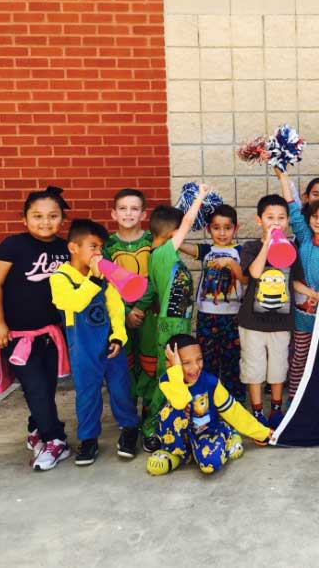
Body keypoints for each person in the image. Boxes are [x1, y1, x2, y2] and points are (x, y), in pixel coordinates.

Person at [0, 186, 72, 470]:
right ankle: (55, 439)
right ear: (24, 218)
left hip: (51, 334)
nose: (45, 222)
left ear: (62, 219)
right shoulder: (11, 246)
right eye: (37, 216)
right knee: (35, 387)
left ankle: (37, 428)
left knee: (46, 388)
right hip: (19, 336)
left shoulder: (64, 249)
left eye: (52, 216)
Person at [49, 219, 139, 465]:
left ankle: (130, 429)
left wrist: (118, 336)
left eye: (100, 248)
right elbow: (74, 302)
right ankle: (88, 438)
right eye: (93, 246)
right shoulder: (60, 278)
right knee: (87, 393)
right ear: (73, 248)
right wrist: (95, 280)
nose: (98, 253)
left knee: (121, 388)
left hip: (110, 344)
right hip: (82, 347)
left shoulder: (104, 275)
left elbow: (115, 308)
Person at [239, 193, 319, 429]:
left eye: (281, 218)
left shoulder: (291, 248)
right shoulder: (251, 247)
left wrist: (312, 294)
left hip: (282, 321)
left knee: (278, 366)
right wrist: (268, 244)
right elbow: (253, 273)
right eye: (270, 217)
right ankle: (256, 410)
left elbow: (293, 281)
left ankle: (276, 408)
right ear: (259, 220)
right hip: (252, 322)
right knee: (254, 367)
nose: (276, 222)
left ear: (287, 222)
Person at [141, 184, 210, 452]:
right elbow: (189, 221)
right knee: (169, 376)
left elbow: (151, 290)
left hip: (174, 325)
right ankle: (151, 427)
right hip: (170, 327)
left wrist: (137, 308)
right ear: (172, 235)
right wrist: (200, 197)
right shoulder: (164, 253)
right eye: (180, 234)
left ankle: (171, 422)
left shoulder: (158, 257)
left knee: (175, 376)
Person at [145, 334, 272, 476]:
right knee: (171, 410)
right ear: (170, 364)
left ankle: (229, 435)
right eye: (186, 363)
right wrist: (175, 369)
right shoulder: (167, 381)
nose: (195, 367)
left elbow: (233, 411)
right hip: (178, 437)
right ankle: (176, 454)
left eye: (199, 359)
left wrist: (262, 433)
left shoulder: (211, 382)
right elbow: (180, 402)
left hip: (206, 433)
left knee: (210, 465)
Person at [276, 171, 319, 399]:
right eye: (315, 216)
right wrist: (283, 177)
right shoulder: (304, 237)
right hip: (300, 315)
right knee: (299, 358)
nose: (317, 221)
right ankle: (294, 400)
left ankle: (317, 400)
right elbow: (293, 209)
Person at [102, 188, 159, 446]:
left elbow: (157, 277)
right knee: (125, 368)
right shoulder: (108, 246)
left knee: (150, 364)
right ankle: (129, 422)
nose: (128, 213)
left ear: (143, 213)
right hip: (119, 318)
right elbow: (105, 284)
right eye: (123, 208)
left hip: (149, 315)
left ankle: (150, 419)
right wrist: (125, 312)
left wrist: (140, 308)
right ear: (114, 213)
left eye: (134, 208)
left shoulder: (152, 241)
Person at [187, 204, 247, 403]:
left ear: (236, 228)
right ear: (208, 229)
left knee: (232, 359)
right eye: (216, 227)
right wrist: (173, 233)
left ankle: (234, 400)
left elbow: (245, 279)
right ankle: (209, 398)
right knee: (207, 358)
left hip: (233, 315)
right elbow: (180, 245)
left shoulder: (240, 251)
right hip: (206, 314)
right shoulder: (206, 250)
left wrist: (230, 263)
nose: (222, 233)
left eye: (227, 228)